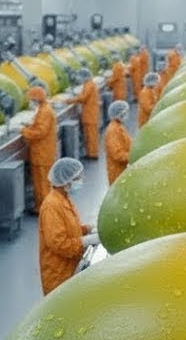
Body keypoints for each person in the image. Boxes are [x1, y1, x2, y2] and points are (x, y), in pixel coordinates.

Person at [39, 157, 100, 295]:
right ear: (65, 182)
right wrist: (86, 241)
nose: (81, 181)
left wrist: (88, 229)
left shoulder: (63, 199)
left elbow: (69, 229)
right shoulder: (52, 206)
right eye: (77, 178)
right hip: (57, 274)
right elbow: (59, 244)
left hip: (68, 268)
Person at [21, 85, 57, 212]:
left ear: (36, 99)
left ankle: (44, 209)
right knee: (40, 183)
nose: (30, 102)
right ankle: (40, 207)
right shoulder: (43, 109)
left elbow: (41, 132)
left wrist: (24, 131)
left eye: (31, 99)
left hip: (42, 153)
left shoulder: (45, 111)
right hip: (41, 152)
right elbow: (40, 126)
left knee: (43, 184)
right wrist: (30, 125)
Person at [104, 100, 133, 185]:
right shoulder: (112, 131)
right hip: (116, 171)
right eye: (125, 112)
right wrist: (132, 156)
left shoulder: (119, 126)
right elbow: (117, 155)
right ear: (120, 114)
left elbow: (127, 143)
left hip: (122, 168)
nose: (127, 114)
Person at [75, 69, 100, 160]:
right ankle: (90, 153)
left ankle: (93, 154)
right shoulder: (88, 84)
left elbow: (83, 98)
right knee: (88, 136)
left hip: (90, 115)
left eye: (80, 76)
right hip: (89, 114)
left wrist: (70, 100)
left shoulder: (89, 85)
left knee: (91, 136)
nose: (79, 78)